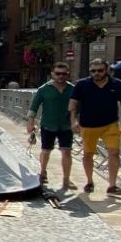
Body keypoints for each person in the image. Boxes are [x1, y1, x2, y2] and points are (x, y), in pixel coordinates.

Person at [69, 58, 121, 196]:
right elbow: (72, 104)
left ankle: (112, 185)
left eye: (100, 70)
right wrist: (73, 121)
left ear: (107, 70)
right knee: (88, 154)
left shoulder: (117, 84)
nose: (96, 73)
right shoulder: (81, 85)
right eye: (93, 71)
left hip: (110, 125)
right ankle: (90, 181)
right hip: (88, 126)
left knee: (114, 152)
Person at [27, 62, 75, 190]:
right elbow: (34, 107)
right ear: (52, 74)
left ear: (68, 74)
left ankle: (66, 179)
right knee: (46, 151)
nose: (61, 76)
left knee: (66, 151)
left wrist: (78, 122)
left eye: (64, 74)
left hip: (66, 126)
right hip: (48, 124)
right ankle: (42, 173)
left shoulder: (72, 89)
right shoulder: (44, 89)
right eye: (58, 73)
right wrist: (30, 122)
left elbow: (79, 107)